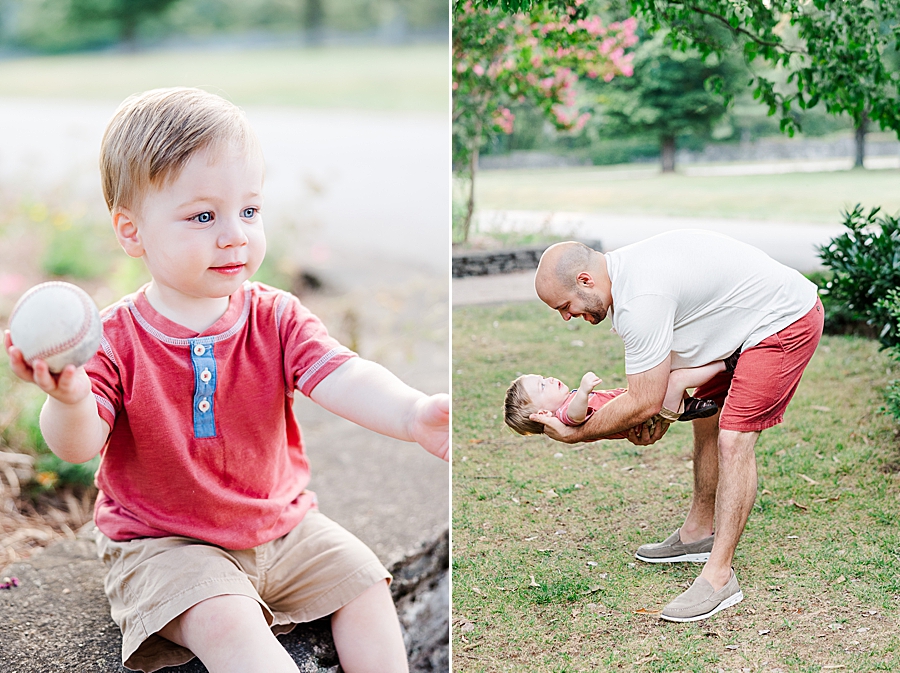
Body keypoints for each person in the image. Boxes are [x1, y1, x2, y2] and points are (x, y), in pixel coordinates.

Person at [3, 87, 448, 673]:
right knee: (224, 619)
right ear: (131, 231)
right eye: (204, 216)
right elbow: (77, 445)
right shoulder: (116, 338)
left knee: (364, 581)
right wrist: (71, 397)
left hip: (280, 525)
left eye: (250, 210)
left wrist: (411, 414)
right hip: (166, 545)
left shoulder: (276, 316)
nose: (235, 233)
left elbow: (343, 374)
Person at [530, 233, 823, 622]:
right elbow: (653, 392)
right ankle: (698, 534)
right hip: (738, 333)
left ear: (585, 281)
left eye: (565, 306)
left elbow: (643, 400)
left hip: (783, 322)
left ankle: (719, 578)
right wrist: (658, 413)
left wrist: (576, 433)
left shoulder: (640, 300)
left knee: (734, 440)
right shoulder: (628, 278)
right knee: (709, 417)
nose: (567, 317)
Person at [503, 356, 732, 436]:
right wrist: (583, 391)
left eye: (544, 377)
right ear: (543, 413)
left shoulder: (567, 404)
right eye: (543, 386)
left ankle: (687, 405)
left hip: (648, 409)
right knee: (675, 380)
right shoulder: (565, 414)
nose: (550, 380)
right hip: (651, 415)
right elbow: (576, 416)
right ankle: (727, 363)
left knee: (669, 374)